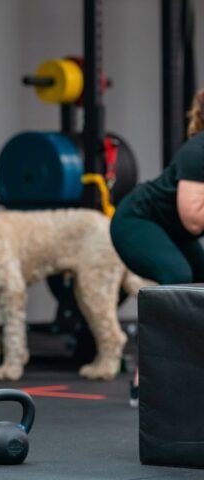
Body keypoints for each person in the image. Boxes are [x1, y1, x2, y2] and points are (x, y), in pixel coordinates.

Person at [110, 88, 204, 408]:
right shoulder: (198, 151)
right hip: (135, 222)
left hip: (170, 230)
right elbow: (193, 220)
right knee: (176, 277)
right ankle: (144, 381)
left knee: (200, 280)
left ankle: (190, 375)